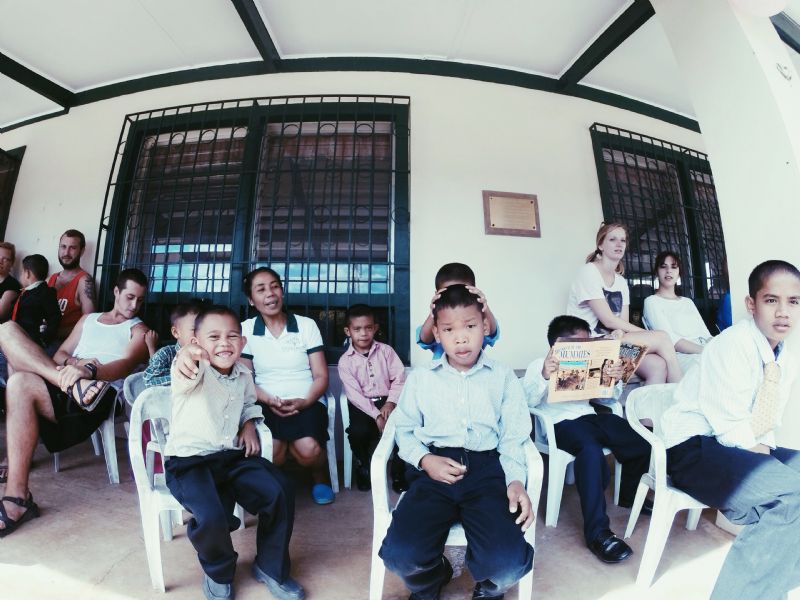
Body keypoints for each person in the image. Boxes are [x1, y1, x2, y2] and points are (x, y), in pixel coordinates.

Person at [380, 285, 535, 600]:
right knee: (401, 556)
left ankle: (488, 589)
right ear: (437, 334)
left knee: (507, 565)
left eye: (470, 326)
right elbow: (404, 429)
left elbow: (513, 436)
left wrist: (516, 480)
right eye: (449, 329)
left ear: (485, 327)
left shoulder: (503, 376)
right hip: (433, 470)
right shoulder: (421, 378)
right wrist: (425, 460)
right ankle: (432, 579)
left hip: (487, 470)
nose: (461, 338)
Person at [661, 260, 800, 600]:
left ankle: (768, 588)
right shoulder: (732, 344)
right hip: (695, 448)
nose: (783, 312)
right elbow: (729, 428)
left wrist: (772, 464)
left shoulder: (785, 354)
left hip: (737, 446)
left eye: (793, 301)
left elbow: (766, 420)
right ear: (751, 304)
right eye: (771, 300)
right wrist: (773, 469)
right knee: (790, 495)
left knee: (790, 495)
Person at [167, 305, 303, 600]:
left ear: (242, 342)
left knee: (279, 489)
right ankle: (218, 571)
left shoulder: (243, 374)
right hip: (189, 463)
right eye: (213, 337)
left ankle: (270, 567)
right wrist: (187, 354)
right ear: (196, 342)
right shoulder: (194, 368)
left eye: (231, 336)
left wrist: (249, 423)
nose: (224, 343)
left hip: (230, 457)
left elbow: (249, 404)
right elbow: (184, 367)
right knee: (211, 515)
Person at [0, 268, 150, 536]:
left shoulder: (139, 330)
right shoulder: (88, 320)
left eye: (140, 300)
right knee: (6, 330)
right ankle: (18, 498)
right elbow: (60, 354)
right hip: (70, 383)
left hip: (98, 392)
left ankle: (17, 500)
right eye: (130, 297)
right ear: (116, 292)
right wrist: (74, 367)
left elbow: (124, 365)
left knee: (19, 381)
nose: (134, 305)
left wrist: (89, 371)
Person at [523, 315, 651, 564]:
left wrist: (613, 378)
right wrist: (545, 375)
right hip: (560, 425)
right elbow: (526, 402)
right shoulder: (539, 364)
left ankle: (629, 495)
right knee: (590, 452)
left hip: (589, 417)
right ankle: (598, 533)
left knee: (639, 439)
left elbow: (605, 400)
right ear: (557, 345)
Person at [239, 267, 333, 505]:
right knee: (273, 451)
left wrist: (305, 401)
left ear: (282, 291)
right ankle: (280, 479)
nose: (270, 294)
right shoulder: (245, 330)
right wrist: (269, 400)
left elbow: (321, 376)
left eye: (274, 286)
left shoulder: (306, 325)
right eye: (261, 289)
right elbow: (246, 379)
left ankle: (319, 475)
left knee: (308, 450)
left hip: (307, 400)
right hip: (265, 401)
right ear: (251, 300)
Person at [566, 223, 683, 385]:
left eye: (623, 240)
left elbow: (622, 323)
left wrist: (620, 333)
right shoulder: (588, 272)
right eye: (612, 239)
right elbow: (609, 320)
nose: (619, 244)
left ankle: (649, 402)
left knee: (657, 365)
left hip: (612, 344)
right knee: (662, 337)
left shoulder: (621, 282)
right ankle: (682, 394)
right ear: (600, 245)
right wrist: (650, 335)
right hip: (587, 347)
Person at [337, 303, 406, 491]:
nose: (363, 333)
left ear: (375, 328)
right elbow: (354, 394)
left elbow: (399, 379)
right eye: (357, 329)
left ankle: (399, 473)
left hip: (388, 401)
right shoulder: (345, 362)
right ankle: (363, 467)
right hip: (362, 405)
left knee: (404, 428)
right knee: (358, 432)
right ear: (348, 331)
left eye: (368, 328)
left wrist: (390, 403)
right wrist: (376, 415)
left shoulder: (386, 352)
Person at [643, 251, 713, 372]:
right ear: (657, 272)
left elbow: (706, 335)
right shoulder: (652, 302)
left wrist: (717, 348)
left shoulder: (687, 302)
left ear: (679, 273)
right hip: (680, 357)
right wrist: (707, 351)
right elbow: (671, 341)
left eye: (674, 267)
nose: (668, 271)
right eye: (663, 267)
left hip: (704, 350)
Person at [417, 262, 498, 359]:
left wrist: (484, 305)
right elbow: (425, 339)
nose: (456, 297)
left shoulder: (478, 320)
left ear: (474, 291)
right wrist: (434, 309)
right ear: (437, 294)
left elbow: (492, 331)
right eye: (448, 293)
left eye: (463, 292)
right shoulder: (437, 322)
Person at [46, 229, 96, 345]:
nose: (66, 253)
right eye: (63, 247)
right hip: (43, 340)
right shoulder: (50, 279)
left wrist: (52, 332)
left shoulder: (84, 281)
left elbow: (88, 324)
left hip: (65, 344)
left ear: (82, 251)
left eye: (72, 248)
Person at [142, 298, 206, 388]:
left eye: (205, 330)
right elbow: (150, 379)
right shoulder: (166, 354)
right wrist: (186, 377)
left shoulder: (208, 355)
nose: (201, 334)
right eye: (194, 330)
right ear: (176, 332)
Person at [12, 254, 61, 347]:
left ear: (27, 273)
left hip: (32, 340)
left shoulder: (45, 293)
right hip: (18, 337)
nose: (21, 275)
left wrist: (44, 339)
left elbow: (55, 317)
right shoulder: (26, 292)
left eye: (22, 272)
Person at [0, 242, 21, 323]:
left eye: (5, 259)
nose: (0, 261)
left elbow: (1, 314)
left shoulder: (12, 285)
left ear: (11, 263)